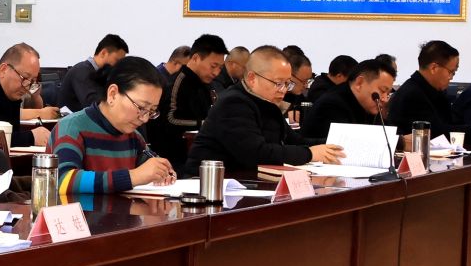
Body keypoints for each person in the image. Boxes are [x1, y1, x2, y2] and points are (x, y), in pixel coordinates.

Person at [184, 45, 344, 174]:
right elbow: (256, 153)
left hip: (249, 180)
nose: (284, 90)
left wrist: (334, 145)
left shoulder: (268, 102)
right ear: (252, 78)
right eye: (278, 83)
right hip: (211, 183)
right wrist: (310, 154)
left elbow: (294, 141)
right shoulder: (233, 103)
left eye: (287, 83)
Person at [51, 58, 174, 196]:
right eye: (141, 107)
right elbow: (62, 180)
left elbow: (151, 165)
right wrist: (133, 177)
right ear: (113, 94)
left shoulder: (134, 137)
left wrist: (163, 171)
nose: (144, 118)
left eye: (151, 111)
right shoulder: (71, 128)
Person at [149, 34, 226, 163]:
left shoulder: (206, 84)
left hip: (199, 154)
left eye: (220, 68)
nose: (216, 72)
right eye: (213, 66)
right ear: (195, 58)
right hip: (175, 158)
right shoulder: (178, 83)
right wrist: (203, 123)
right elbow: (169, 119)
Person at [385, 40, 471, 147]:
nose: (451, 77)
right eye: (451, 72)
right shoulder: (412, 94)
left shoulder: (434, 91)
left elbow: (449, 125)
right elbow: (437, 133)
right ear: (434, 68)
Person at [301, 55, 396, 143]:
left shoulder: (367, 105)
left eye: (388, 94)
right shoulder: (333, 104)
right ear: (359, 83)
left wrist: (384, 115)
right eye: (382, 90)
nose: (384, 99)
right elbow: (350, 145)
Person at [58, 34, 128, 111]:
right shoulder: (82, 71)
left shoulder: (102, 75)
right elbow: (94, 105)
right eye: (117, 60)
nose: (119, 66)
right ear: (103, 53)